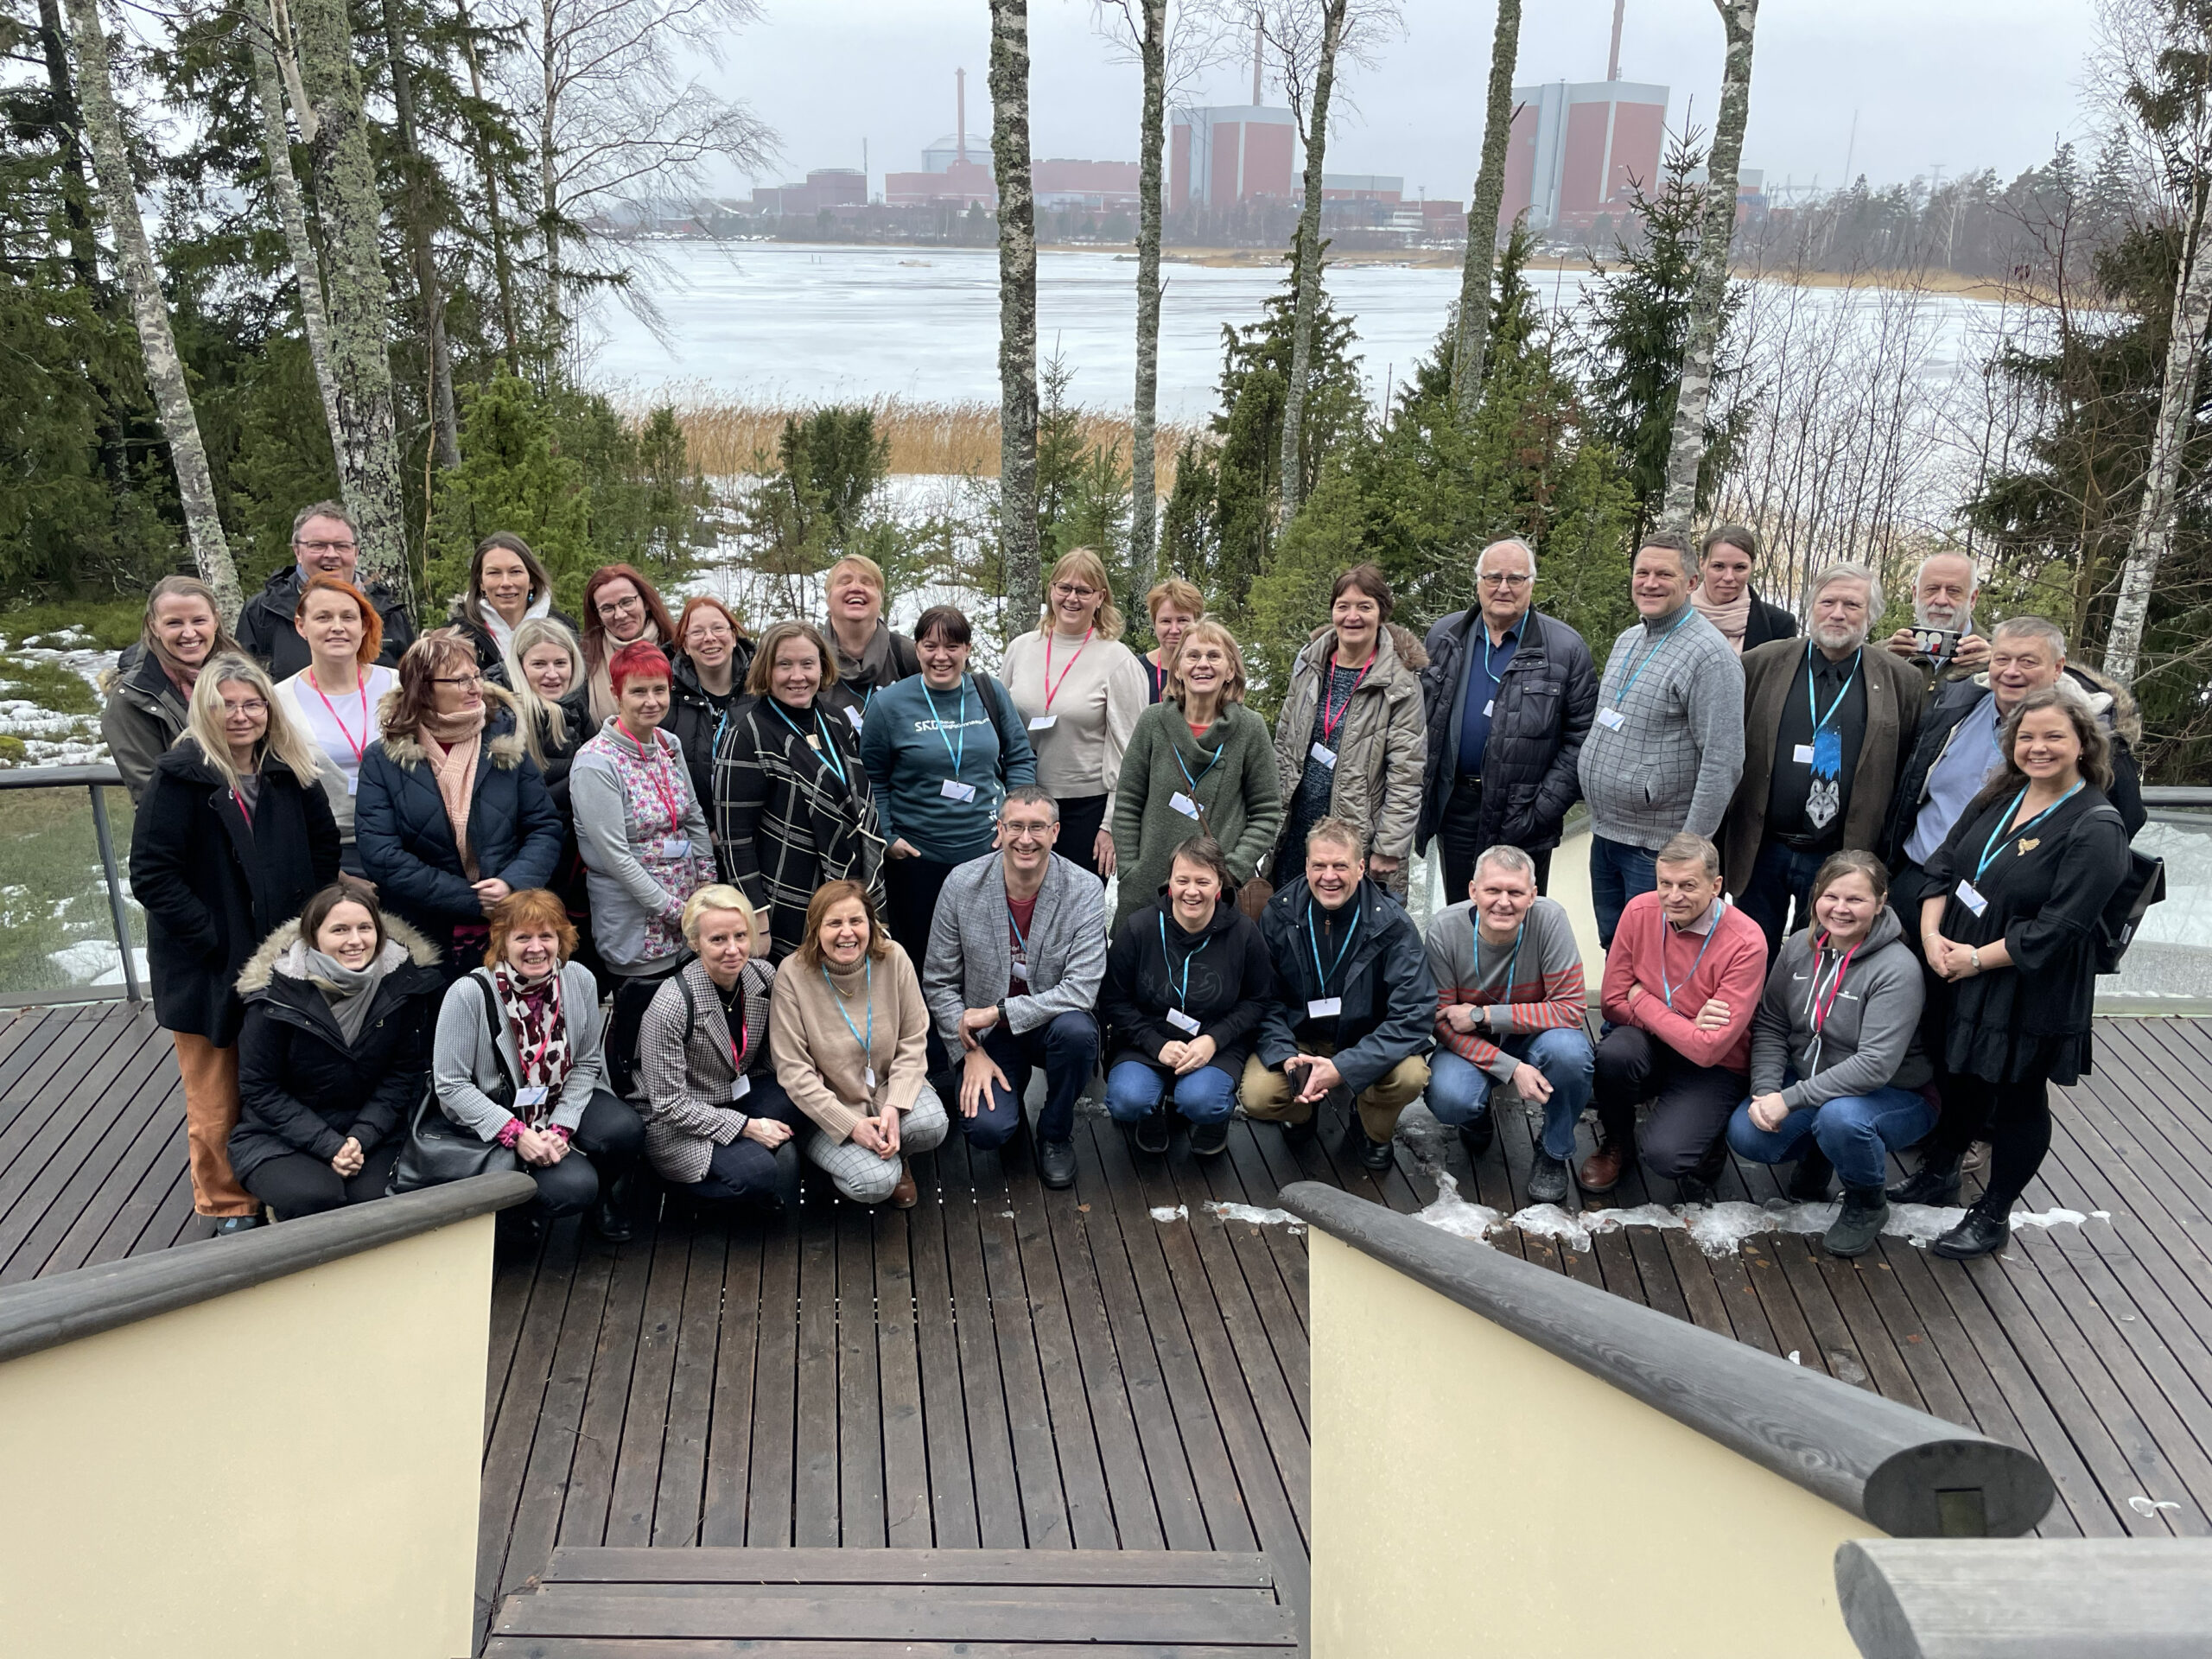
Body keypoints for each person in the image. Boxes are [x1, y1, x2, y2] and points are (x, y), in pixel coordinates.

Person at [1890, 686, 2133, 1260]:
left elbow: (2059, 928)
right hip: (1957, 961)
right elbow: (1943, 865)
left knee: (2017, 1096)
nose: (2038, 747)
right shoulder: (2000, 793)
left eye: (2054, 737)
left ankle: (1994, 1211)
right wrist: (1933, 938)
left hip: (2027, 981)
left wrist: (1975, 958)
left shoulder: (2096, 826)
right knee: (1959, 1073)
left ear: (2083, 744)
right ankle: (1942, 1170)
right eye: (2027, 737)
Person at [130, 653, 340, 1234]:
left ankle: (282, 1183)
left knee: (280, 1078)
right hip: (208, 967)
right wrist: (214, 938)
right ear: (205, 710)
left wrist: (307, 926)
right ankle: (228, 1203)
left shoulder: (289, 771)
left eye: (253, 704)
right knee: (216, 1092)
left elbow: (324, 849)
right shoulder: (180, 778)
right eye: (227, 706)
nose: (242, 716)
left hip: (283, 957)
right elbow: (152, 875)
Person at [1881, 615, 2145, 956]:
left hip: (2013, 914)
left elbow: (2121, 824)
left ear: (2058, 667)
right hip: (1921, 886)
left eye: (2028, 661)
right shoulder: (1952, 708)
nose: (2011, 671)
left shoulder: (2094, 736)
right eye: (2002, 659)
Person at [1725, 851, 1936, 1257]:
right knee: (1748, 1134)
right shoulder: (1798, 948)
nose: (1840, 909)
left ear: (1881, 902)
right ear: (1816, 896)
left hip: (1893, 1092)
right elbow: (1772, 1022)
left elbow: (1874, 1065)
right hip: (1814, 1078)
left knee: (1841, 1119)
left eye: (1855, 899)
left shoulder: (1897, 968)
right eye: (1831, 896)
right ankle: (1822, 1150)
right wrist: (1765, 1089)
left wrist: (1790, 1100)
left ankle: (1866, 1201)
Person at [1721, 563, 1926, 957]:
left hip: (1840, 856)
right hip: (1762, 848)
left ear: (1871, 615)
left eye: (1852, 605)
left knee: (1820, 958)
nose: (1837, 613)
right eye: (1827, 602)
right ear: (1811, 606)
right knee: (1751, 954)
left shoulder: (1901, 680)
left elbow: (1905, 767)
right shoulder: (1760, 663)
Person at [431, 888, 644, 1241]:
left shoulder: (579, 979)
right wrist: (517, 1134)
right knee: (574, 1188)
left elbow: (587, 1062)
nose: (536, 948)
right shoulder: (468, 993)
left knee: (624, 1130)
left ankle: (603, 1199)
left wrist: (562, 1127)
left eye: (546, 936)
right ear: (502, 942)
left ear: (561, 939)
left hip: (559, 1096)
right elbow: (451, 1084)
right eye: (523, 938)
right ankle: (514, 1212)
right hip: (498, 1110)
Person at [922, 787, 1107, 1189]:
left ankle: (1055, 1132)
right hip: (987, 1036)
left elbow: (1081, 990)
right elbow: (938, 981)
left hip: (1050, 1026)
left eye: (1037, 827)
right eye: (1016, 827)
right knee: (987, 1131)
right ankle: (1011, 1103)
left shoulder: (1084, 888)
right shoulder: (961, 884)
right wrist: (969, 1051)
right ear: (1000, 830)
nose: (1026, 839)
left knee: (1079, 1033)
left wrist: (1001, 1011)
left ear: (1055, 832)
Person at [230, 880, 443, 1218]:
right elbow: (260, 1088)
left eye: (365, 928)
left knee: (376, 1201)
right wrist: (330, 1144)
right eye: (340, 930)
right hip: (279, 1136)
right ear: (313, 935)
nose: (355, 940)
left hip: (373, 1132)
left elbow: (403, 1075)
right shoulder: (274, 995)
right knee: (315, 1198)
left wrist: (359, 1138)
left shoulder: (404, 986)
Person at [354, 631, 563, 976]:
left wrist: (511, 884)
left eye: (476, 676)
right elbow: (381, 854)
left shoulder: (505, 741)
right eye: (460, 680)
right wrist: (468, 897)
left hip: (509, 921)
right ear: (424, 689)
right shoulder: (383, 758)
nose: (475, 688)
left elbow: (544, 827)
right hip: (422, 928)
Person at [1578, 533, 1746, 949]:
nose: (1650, 583)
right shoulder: (1627, 640)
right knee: (1615, 945)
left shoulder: (1710, 657)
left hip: (1659, 850)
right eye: (1642, 573)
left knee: (1659, 954)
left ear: (1691, 582)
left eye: (1664, 575)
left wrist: (1688, 852)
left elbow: (1723, 761)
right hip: (1607, 835)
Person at [1582, 833, 1768, 1203]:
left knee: (1666, 1157)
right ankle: (1617, 1141)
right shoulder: (1639, 911)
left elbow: (1709, 1049)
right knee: (1615, 1054)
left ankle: (1710, 1135)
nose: (1673, 896)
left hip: (1715, 1066)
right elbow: (1612, 1002)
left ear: (1715, 885)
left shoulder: (1746, 941)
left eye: (1688, 885)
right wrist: (1687, 1023)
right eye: (1664, 883)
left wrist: (1642, 997)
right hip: (1651, 1045)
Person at [1243, 819, 1434, 1173]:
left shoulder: (1393, 925)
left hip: (1366, 1038)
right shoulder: (1279, 913)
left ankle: (1372, 1125)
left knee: (1410, 1076)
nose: (1328, 876)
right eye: (1319, 865)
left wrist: (1345, 1068)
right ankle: (1303, 1112)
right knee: (1258, 1094)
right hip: (1300, 1039)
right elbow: (1264, 999)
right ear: (1306, 866)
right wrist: (1285, 1056)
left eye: (1340, 866)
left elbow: (1413, 1014)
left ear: (1361, 867)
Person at [571, 640, 719, 1097]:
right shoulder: (596, 762)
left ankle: (678, 1092)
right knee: (642, 1018)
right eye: (638, 691)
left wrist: (707, 888)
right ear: (616, 694)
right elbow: (615, 856)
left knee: (680, 1016)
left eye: (660, 690)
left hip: (687, 905)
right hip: (635, 915)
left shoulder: (668, 745)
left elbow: (693, 817)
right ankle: (632, 1094)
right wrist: (675, 910)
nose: (651, 701)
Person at [1417, 538, 1597, 899]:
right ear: (1478, 582)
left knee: (1517, 915)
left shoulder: (1564, 648)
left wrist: (1541, 810)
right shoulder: (1445, 636)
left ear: (1531, 583)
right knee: (1461, 911)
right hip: (1455, 807)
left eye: (1515, 578)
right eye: (1493, 577)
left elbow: (1582, 737)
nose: (1503, 588)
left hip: (1523, 815)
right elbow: (1422, 718)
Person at [861, 604, 1036, 962]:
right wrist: (888, 837)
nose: (941, 657)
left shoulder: (989, 692)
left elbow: (1020, 757)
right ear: (917, 649)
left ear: (967, 649)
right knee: (922, 958)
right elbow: (872, 777)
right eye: (930, 646)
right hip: (918, 860)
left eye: (952, 646)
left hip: (984, 854)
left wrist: (1014, 823)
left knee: (982, 956)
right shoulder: (888, 704)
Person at [1421, 845, 1594, 1203]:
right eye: (1493, 890)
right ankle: (1476, 1114)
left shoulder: (1550, 919)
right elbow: (1442, 1021)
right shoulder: (1444, 928)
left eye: (1515, 892)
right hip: (1471, 1042)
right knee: (1450, 1097)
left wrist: (1483, 1015)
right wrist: (1511, 1069)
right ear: (1473, 891)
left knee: (1571, 1054)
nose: (1503, 902)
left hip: (1533, 1035)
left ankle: (1554, 1149)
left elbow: (1571, 1009)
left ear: (1532, 895)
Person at [770, 879, 950, 1208]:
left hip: (885, 1088)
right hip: (827, 1108)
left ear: (871, 923)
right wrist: (850, 1125)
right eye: (834, 923)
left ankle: (897, 1158)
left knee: (932, 1125)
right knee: (875, 1183)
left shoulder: (894, 958)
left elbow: (913, 1038)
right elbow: (793, 1071)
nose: (847, 932)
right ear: (816, 929)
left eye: (856, 920)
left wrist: (895, 1105)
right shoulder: (792, 975)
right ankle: (841, 1168)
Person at [714, 620, 886, 963]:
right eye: (784, 665)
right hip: (788, 899)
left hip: (851, 889)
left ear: (822, 667)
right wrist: (757, 917)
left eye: (807, 664)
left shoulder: (836, 721)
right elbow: (735, 839)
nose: (798, 676)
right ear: (767, 669)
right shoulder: (748, 735)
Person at [1101, 836, 1273, 1158]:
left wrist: (1214, 1040)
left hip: (1215, 1044)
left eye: (1202, 881)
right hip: (1146, 1041)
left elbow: (1258, 1000)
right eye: (1182, 880)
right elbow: (1113, 999)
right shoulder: (1139, 928)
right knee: (1127, 1100)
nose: (1191, 891)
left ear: (1219, 884)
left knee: (1202, 1102)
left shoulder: (1244, 934)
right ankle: (1150, 1113)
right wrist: (1155, 1043)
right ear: (1170, 882)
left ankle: (1213, 1120)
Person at [1267, 564, 1427, 900]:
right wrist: (1270, 821)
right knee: (1288, 918)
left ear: (1381, 612)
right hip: (1297, 827)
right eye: (1343, 606)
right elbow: (1283, 745)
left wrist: (1389, 846)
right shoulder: (1309, 664)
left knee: (1347, 924)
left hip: (1358, 837)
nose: (1352, 617)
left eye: (1364, 606)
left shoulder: (1401, 681)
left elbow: (1407, 774)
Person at [638, 887, 802, 1216]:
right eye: (718, 939)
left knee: (797, 1094)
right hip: (678, 1119)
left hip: (731, 1091)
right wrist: (748, 1127)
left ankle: (741, 1160)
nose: (733, 949)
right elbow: (669, 1104)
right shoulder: (671, 1005)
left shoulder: (762, 977)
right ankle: (684, 1191)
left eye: (740, 936)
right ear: (695, 943)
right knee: (760, 1174)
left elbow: (770, 1055)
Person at [1110, 620, 1282, 931]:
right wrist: (1130, 868)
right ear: (1177, 669)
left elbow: (1267, 812)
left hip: (1215, 890)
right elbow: (1127, 803)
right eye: (1192, 656)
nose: (1203, 664)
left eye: (1214, 656)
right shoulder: (1152, 722)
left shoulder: (1250, 728)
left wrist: (1231, 871)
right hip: (1148, 885)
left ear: (1230, 670)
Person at [1003, 547, 1148, 881]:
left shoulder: (1117, 660)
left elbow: (1131, 753)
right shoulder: (1021, 648)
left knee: (1077, 903)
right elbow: (1002, 728)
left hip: (1087, 810)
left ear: (1100, 597)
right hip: (1025, 804)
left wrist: (1111, 825)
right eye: (1064, 588)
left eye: (1083, 590)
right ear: (1051, 590)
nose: (1072, 598)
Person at [272, 575, 399, 875]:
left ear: (364, 625)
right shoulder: (278, 702)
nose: (337, 627)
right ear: (301, 626)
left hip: (403, 842)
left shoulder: (401, 686)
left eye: (348, 617)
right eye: (324, 617)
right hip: (325, 852)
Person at [102, 575, 243, 803]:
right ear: (153, 626)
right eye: (174, 623)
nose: (189, 633)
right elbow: (151, 794)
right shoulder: (132, 700)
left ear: (216, 621)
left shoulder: (246, 677)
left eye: (199, 621)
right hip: (194, 821)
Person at [236, 500, 415, 679]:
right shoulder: (263, 612)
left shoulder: (387, 611)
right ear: (298, 552)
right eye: (318, 545)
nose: (331, 554)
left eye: (342, 546)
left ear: (356, 553)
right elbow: (242, 684)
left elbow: (412, 685)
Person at [445, 533, 580, 687]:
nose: (506, 583)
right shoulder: (457, 635)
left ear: (531, 580)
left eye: (515, 572)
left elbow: (579, 690)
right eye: (494, 573)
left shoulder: (564, 628)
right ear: (481, 583)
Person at [667, 594, 756, 822]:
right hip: (691, 832)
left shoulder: (763, 689)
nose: (709, 638)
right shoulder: (665, 697)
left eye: (718, 628)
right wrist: (704, 830)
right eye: (697, 632)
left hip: (755, 831)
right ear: (685, 645)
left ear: (733, 637)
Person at [818, 553, 921, 732]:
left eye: (867, 582)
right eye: (845, 581)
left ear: (880, 599)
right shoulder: (809, 655)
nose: (856, 588)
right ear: (828, 599)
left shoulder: (909, 654)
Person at [580, 563, 679, 725]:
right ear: (597, 616)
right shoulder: (585, 661)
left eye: (627, 602)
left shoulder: (679, 652)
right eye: (607, 608)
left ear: (645, 602)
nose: (620, 615)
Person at [1882, 551, 1990, 684]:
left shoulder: (1996, 658)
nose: (1941, 601)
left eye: (1953, 591)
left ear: (1972, 599)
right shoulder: (1880, 653)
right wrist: (1884, 659)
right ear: (1915, 595)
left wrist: (1997, 664)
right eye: (1932, 589)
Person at [1688, 524, 1798, 654]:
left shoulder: (1779, 625)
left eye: (1739, 567)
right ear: (1702, 564)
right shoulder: (1675, 616)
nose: (1728, 577)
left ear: (1752, 566)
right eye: (1718, 566)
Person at [1141, 578, 1205, 702]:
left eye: (1182, 620)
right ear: (1154, 624)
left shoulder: (1210, 671)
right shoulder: (1138, 670)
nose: (1174, 630)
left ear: (1197, 622)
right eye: (1166, 621)